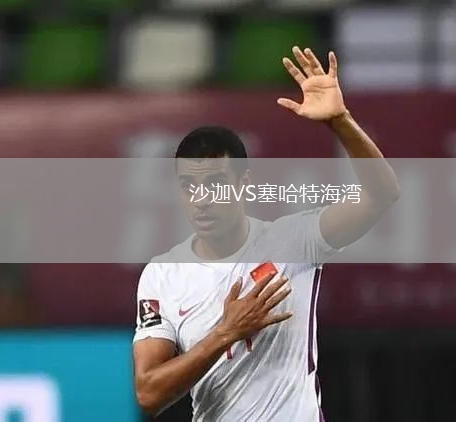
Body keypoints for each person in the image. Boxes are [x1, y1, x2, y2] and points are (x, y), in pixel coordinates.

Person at [132, 46, 400, 421]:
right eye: (190, 187)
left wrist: (341, 121)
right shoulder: (163, 274)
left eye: (216, 184)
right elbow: (148, 393)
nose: (202, 199)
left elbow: (382, 194)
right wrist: (225, 332)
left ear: (243, 183)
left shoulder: (293, 241)